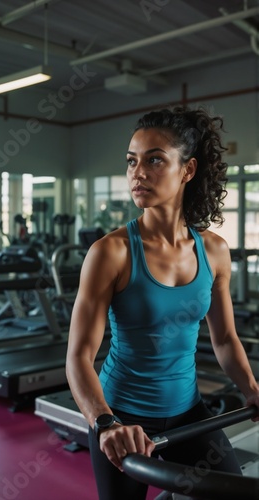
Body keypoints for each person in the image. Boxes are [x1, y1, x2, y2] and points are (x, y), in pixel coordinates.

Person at [65, 106, 259, 500]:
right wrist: (106, 423)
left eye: (155, 160)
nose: (138, 172)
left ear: (187, 170)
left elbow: (223, 340)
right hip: (123, 419)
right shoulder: (111, 252)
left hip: (189, 413)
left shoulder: (214, 251)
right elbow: (79, 356)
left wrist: (253, 389)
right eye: (132, 161)